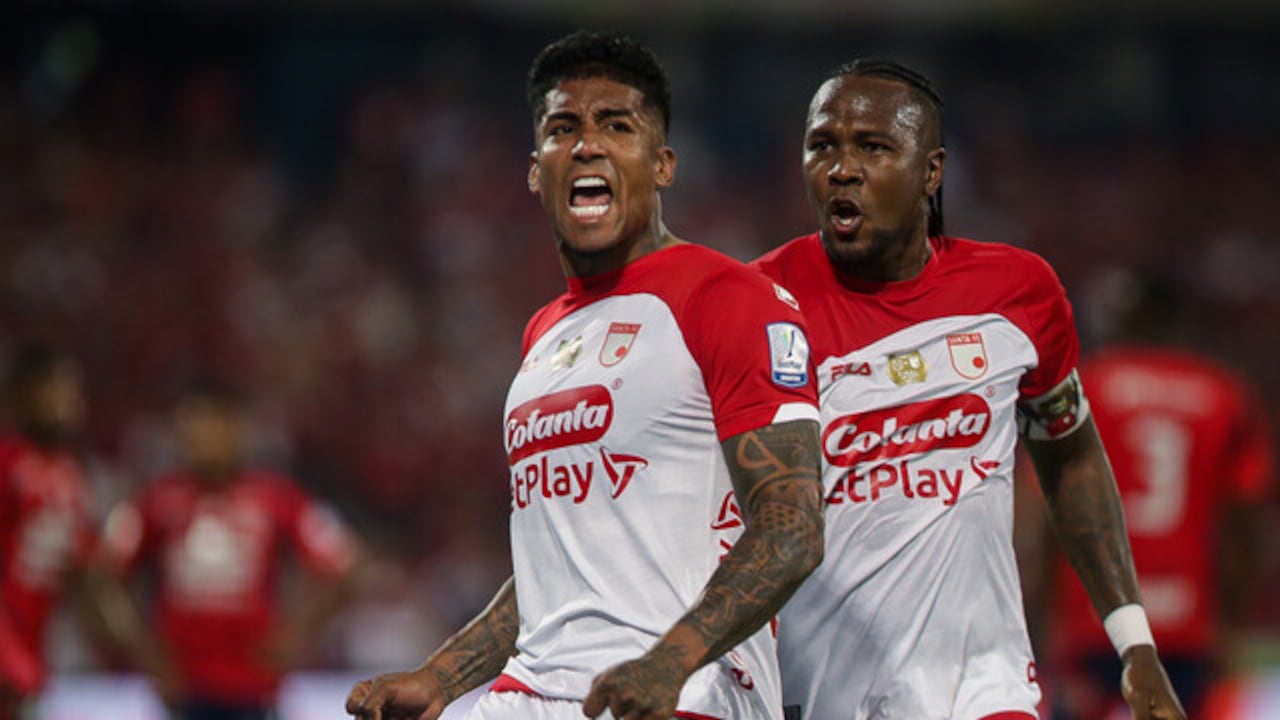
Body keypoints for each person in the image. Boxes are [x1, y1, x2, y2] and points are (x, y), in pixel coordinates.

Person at [346, 30, 825, 720]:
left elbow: (793, 526)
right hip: (534, 692)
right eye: (563, 128)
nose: (587, 144)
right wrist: (442, 677)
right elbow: (563, 562)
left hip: (682, 693)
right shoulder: (545, 332)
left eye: (616, 125)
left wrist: (671, 659)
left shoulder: (727, 297)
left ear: (662, 165)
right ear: (537, 171)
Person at [751, 60, 1185, 720]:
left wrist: (1135, 645)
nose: (842, 167)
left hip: (984, 688)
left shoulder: (1019, 294)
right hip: (814, 693)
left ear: (931, 172)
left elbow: (1070, 456)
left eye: (872, 147)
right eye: (823, 145)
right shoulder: (756, 305)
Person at [1036, 271, 1275, 718]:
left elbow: (1052, 511)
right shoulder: (1226, 395)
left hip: (1096, 616)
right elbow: (1244, 528)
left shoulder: (1090, 384)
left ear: (1130, 319)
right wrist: (1235, 623)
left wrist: (1045, 613)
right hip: (1189, 623)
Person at [101, 379, 361, 720]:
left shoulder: (274, 498)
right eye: (195, 427)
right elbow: (104, 575)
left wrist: (296, 636)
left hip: (253, 685)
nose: (204, 439)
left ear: (236, 431)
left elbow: (343, 566)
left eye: (214, 426)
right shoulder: (158, 502)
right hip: (184, 686)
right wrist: (144, 650)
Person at [0, 345, 175, 720]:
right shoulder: (7, 465)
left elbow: (89, 577)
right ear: (21, 395)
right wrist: (9, 660)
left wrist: (144, 653)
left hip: (31, 663)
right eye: (55, 388)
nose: (69, 400)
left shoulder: (71, 479)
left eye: (73, 390)